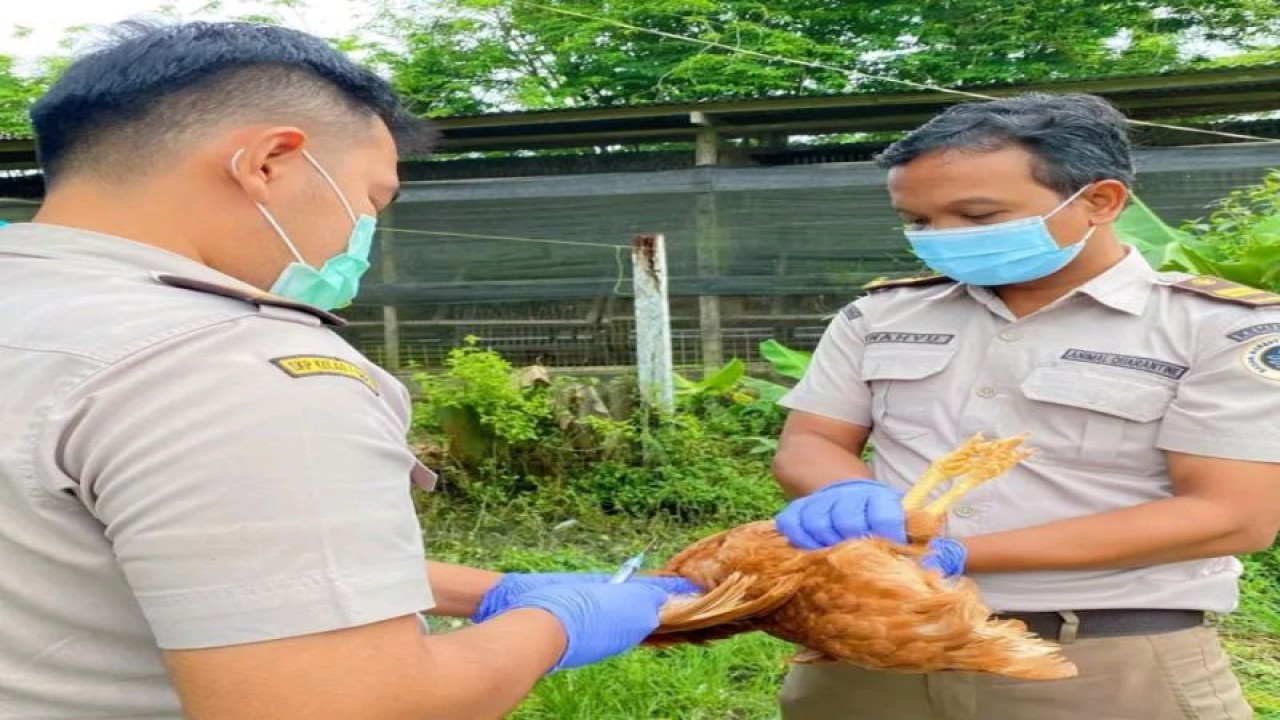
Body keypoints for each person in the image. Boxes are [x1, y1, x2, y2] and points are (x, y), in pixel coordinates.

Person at [0, 21, 693, 719]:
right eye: (370, 199)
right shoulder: (237, 368)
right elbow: (355, 706)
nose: (362, 233)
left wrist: (484, 590)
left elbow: (152, 556)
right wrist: (558, 624)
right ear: (269, 162)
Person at [771, 93, 1280, 720]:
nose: (942, 239)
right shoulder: (881, 314)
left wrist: (951, 553)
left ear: (1100, 201)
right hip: (873, 646)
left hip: (1098, 664)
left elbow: (1232, 514)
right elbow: (813, 440)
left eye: (978, 215)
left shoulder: (1222, 329)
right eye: (919, 221)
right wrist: (851, 498)